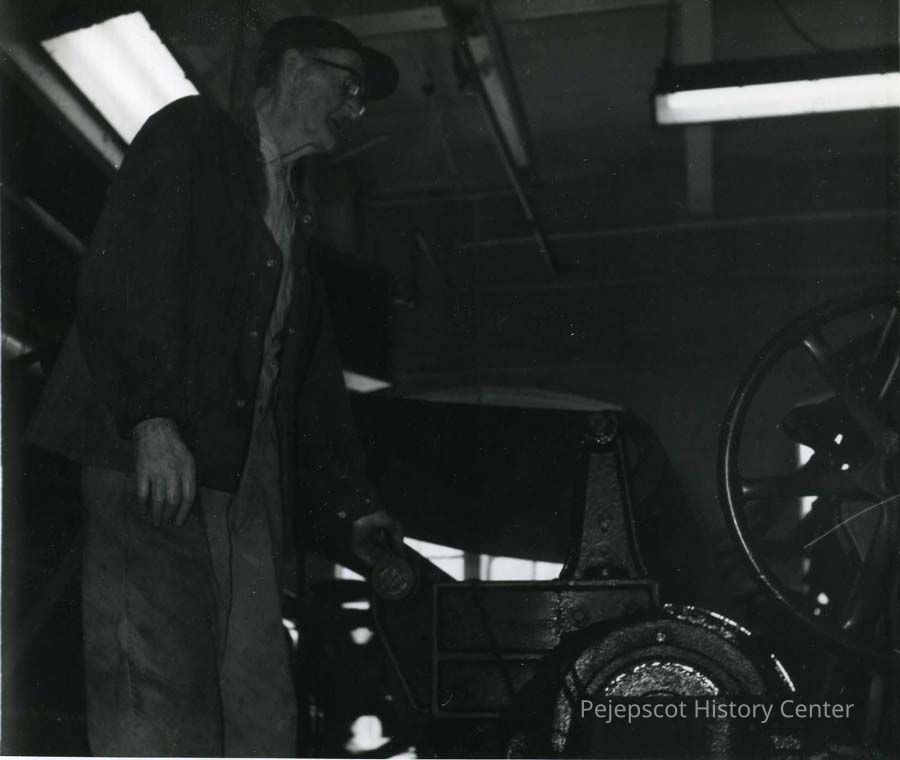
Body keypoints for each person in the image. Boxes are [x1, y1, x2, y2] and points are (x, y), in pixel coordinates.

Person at [26, 15, 404, 757]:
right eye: (348, 86)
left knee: (261, 707)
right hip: (156, 457)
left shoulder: (292, 211)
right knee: (158, 694)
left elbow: (310, 382)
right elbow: (122, 276)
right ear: (293, 69)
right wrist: (151, 419)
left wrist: (354, 504)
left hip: (244, 479)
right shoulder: (194, 137)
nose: (353, 108)